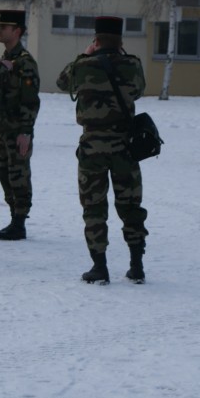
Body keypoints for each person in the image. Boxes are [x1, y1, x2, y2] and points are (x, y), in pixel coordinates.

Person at [56, 16, 148, 284]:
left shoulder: (83, 66)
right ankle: (137, 265)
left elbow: (62, 82)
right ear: (121, 41)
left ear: (96, 41)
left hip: (92, 148)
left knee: (94, 207)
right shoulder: (132, 65)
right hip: (124, 147)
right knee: (131, 206)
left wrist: (84, 56)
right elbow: (139, 91)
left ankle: (99, 267)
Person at [0, 10, 40, 241]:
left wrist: (25, 132)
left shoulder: (25, 63)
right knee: (5, 174)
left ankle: (19, 223)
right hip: (3, 128)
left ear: (16, 31)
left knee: (18, 174)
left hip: (17, 129)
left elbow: (30, 101)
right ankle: (13, 219)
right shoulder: (7, 59)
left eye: (4, 27)